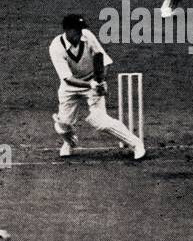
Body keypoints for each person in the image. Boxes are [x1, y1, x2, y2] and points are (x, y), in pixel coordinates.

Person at [50, 14, 145, 160]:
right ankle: (69, 142)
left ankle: (136, 144)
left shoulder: (87, 36)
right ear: (68, 30)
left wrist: (100, 82)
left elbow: (104, 60)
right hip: (70, 86)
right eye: (77, 30)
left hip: (92, 81)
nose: (81, 33)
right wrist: (91, 84)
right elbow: (68, 79)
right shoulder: (56, 47)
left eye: (81, 29)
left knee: (100, 121)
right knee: (63, 125)